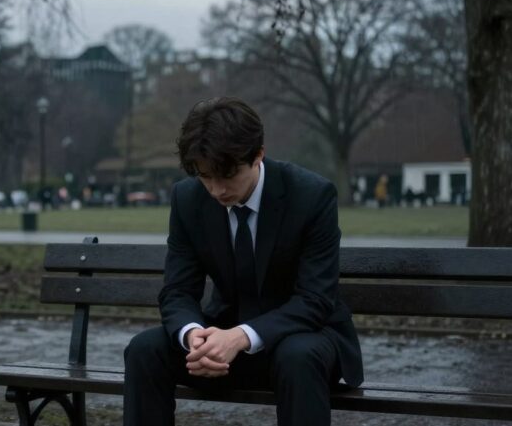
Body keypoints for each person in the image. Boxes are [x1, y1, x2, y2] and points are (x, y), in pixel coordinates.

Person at [123, 97, 363, 426]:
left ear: (258, 154)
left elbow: (315, 299)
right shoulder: (188, 199)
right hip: (223, 343)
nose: (217, 190)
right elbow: (177, 290)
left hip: (305, 338)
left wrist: (239, 337)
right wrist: (194, 336)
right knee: (144, 349)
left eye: (228, 175)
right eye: (206, 176)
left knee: (298, 356)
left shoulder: (312, 196)